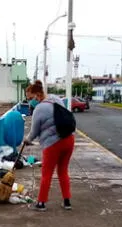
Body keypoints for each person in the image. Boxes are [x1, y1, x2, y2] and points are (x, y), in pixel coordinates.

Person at [23, 80, 75, 211]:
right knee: (63, 171)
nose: (29, 102)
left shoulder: (39, 109)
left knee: (46, 173)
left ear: (36, 95)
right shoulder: (56, 99)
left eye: (29, 98)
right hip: (69, 139)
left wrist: (27, 140)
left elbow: (34, 132)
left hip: (53, 144)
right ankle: (67, 201)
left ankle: (41, 203)